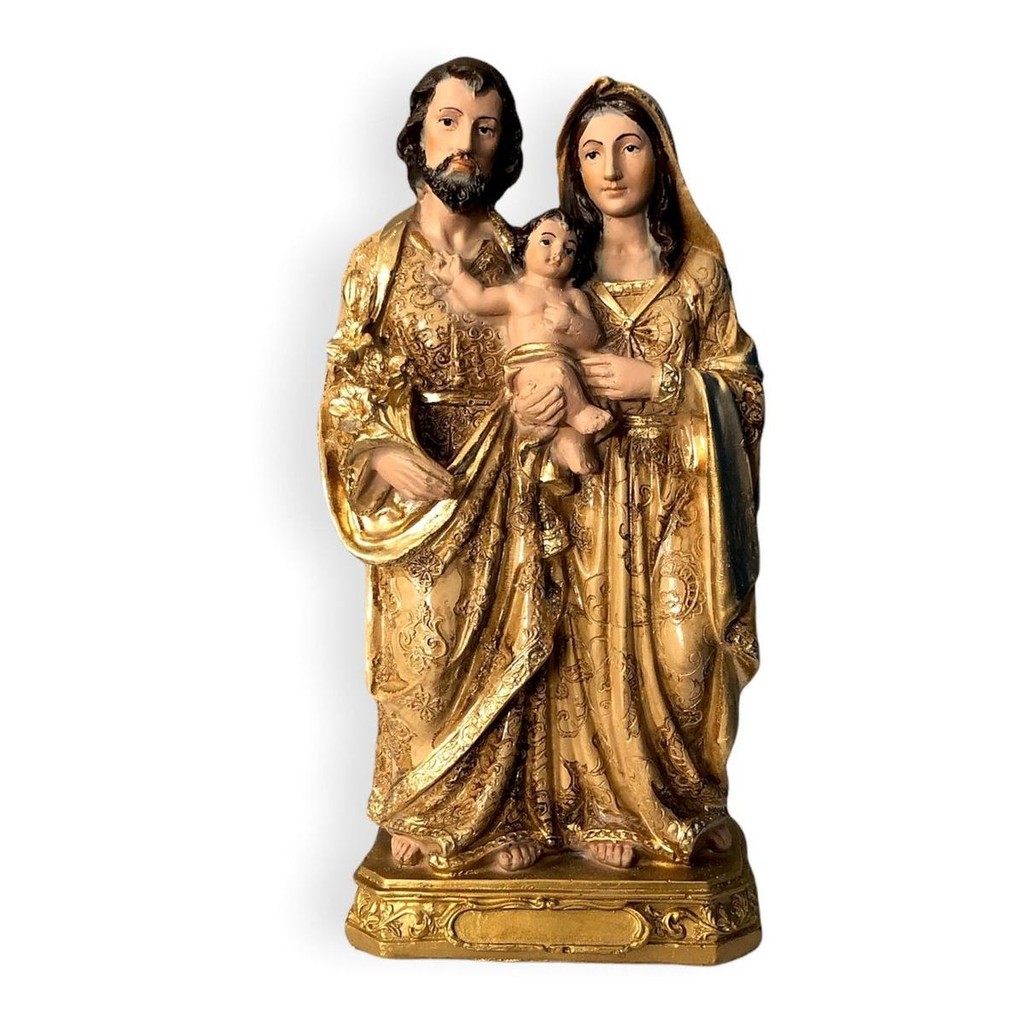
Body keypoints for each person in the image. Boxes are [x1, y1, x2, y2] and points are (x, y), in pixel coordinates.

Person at [319, 58, 565, 873]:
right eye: (450, 122)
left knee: (519, 646)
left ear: (504, 146)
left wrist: (543, 406)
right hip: (420, 488)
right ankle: (422, 806)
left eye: (485, 128)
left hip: (510, 479)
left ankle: (504, 815)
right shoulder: (377, 259)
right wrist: (380, 448)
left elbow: (558, 345)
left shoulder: (527, 255)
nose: (466, 143)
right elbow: (348, 379)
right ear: (418, 135)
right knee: (423, 654)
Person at [537, 78, 764, 868]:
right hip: (591, 498)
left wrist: (661, 384)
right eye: (592, 152)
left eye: (628, 147)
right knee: (589, 652)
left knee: (684, 654)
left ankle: (685, 803)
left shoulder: (697, 275)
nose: (611, 168)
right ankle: (603, 810)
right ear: (574, 168)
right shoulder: (560, 275)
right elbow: (521, 367)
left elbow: (743, 391)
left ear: (658, 160)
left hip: (681, 501)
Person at [433, 208, 611, 475]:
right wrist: (458, 278)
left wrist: (571, 323)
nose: (558, 252)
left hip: (568, 365)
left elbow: (593, 337)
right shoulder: (515, 292)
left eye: (569, 249)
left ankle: (572, 446)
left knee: (573, 385)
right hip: (529, 367)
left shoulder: (574, 297)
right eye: (547, 241)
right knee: (559, 376)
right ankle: (579, 413)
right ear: (523, 247)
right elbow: (479, 299)